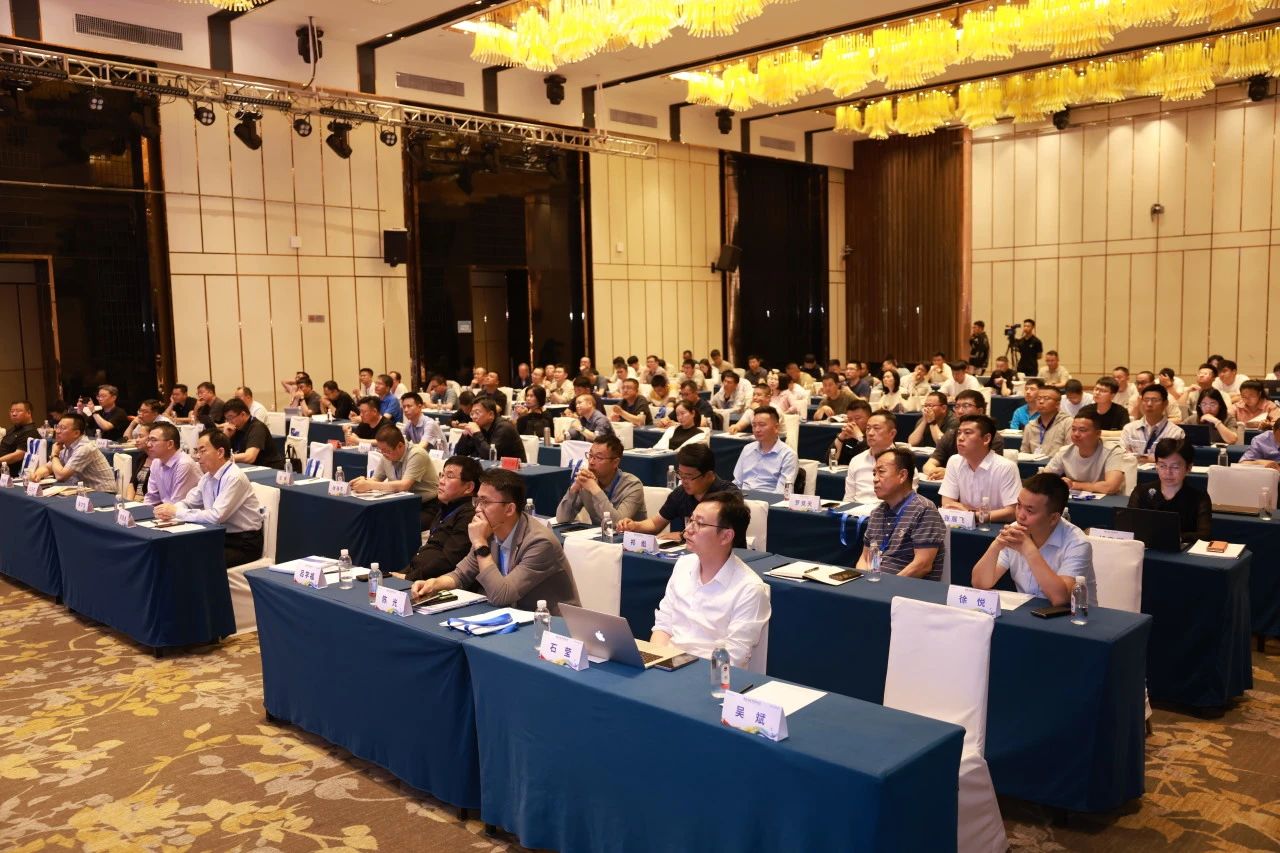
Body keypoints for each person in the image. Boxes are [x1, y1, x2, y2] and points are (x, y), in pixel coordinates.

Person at [410, 468, 580, 614]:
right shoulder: (490, 531)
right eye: (477, 500)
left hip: (549, 625)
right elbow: (461, 574)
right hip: (510, 617)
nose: (477, 509)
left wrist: (480, 544)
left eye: (485, 502)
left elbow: (502, 596)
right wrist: (434, 584)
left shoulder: (540, 543)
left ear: (509, 509)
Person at [648, 491, 771, 668]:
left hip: (710, 675)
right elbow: (663, 625)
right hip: (668, 665)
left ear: (726, 536)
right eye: (690, 520)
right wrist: (656, 660)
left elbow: (734, 658)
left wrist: (675, 666)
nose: (688, 530)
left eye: (699, 524)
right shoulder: (683, 564)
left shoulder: (749, 589)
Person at [973, 473, 1096, 606]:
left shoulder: (1077, 543)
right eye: (1019, 505)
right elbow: (980, 584)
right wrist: (995, 546)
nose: (1020, 515)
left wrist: (1029, 550)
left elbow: (1060, 599)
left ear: (1053, 518)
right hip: (1028, 611)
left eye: (1030, 511)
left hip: (1074, 616)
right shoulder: (1015, 530)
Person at [155, 430, 264, 568]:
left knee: (195, 561)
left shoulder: (234, 477)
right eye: (197, 451)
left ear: (220, 452)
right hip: (219, 536)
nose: (197, 456)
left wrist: (176, 512)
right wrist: (172, 510)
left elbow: (216, 516)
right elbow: (189, 503)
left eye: (202, 451)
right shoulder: (207, 477)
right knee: (177, 550)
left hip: (243, 543)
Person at [857, 447, 947, 581]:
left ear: (902, 476)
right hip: (875, 585)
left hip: (907, 589)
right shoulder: (876, 513)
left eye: (881, 472)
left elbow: (922, 566)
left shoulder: (924, 510)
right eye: (874, 473)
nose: (875, 479)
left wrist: (887, 587)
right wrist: (864, 582)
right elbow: (864, 559)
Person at [617, 443, 738, 539]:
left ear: (709, 475)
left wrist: (682, 535)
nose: (683, 481)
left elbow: (723, 533)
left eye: (689, 476)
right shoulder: (680, 493)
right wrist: (634, 526)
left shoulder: (729, 495)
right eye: (681, 475)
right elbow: (655, 524)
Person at [396, 456, 481, 582]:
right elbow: (429, 550)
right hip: (416, 574)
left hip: (433, 583)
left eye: (449, 476)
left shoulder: (468, 516)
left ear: (469, 487)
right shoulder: (446, 507)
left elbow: (449, 562)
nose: (441, 481)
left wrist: (408, 577)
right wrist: (400, 574)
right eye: (442, 475)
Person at [1128, 438, 1211, 545]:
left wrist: (1174, 537)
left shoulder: (1199, 497)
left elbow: (1204, 535)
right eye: (1162, 466)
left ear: (1189, 468)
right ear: (1156, 465)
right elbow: (1128, 526)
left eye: (1175, 467)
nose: (1168, 472)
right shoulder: (1141, 492)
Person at [351, 425, 439, 525]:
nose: (383, 454)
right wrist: (363, 482)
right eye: (381, 450)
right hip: (401, 503)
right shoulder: (386, 456)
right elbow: (375, 480)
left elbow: (404, 485)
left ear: (400, 446)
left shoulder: (417, 454)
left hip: (427, 506)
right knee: (373, 520)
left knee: (397, 525)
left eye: (387, 451)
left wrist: (370, 485)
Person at [940, 414, 1021, 521]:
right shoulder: (954, 461)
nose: (960, 438)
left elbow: (1012, 511)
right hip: (964, 524)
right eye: (959, 433)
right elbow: (947, 503)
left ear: (986, 439)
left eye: (968, 433)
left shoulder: (1006, 467)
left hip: (996, 527)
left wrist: (972, 515)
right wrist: (970, 514)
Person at [555, 434, 645, 525]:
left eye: (598, 458)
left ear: (615, 462)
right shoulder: (587, 483)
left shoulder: (632, 485)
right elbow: (562, 519)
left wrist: (594, 489)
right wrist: (574, 488)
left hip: (629, 534)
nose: (591, 462)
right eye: (590, 455)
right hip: (596, 534)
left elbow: (617, 524)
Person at [921, 390, 1004, 479]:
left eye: (966, 406)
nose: (960, 411)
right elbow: (928, 465)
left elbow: (988, 471)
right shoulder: (951, 434)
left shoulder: (992, 438)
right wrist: (934, 472)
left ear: (980, 411)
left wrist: (949, 472)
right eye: (957, 406)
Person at [1043, 412, 1126, 495]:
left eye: (1082, 430)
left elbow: (1111, 487)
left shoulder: (1113, 451)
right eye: (1073, 429)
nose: (1076, 434)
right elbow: (1043, 479)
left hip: (1108, 501)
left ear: (1098, 434)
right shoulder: (1065, 451)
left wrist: (1073, 485)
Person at [31, 413, 116, 491]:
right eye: (57, 427)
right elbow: (48, 467)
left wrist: (54, 455)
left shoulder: (85, 448)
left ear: (76, 433)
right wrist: (37, 475)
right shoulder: (64, 445)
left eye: (63, 428)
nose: (57, 431)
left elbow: (61, 476)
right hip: (84, 491)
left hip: (103, 493)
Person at [732, 406, 798, 493]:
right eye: (754, 425)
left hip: (768, 499)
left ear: (776, 427)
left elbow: (782, 492)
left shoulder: (788, 455)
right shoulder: (747, 449)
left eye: (762, 425)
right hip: (742, 498)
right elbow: (737, 482)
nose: (757, 430)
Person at [844, 411, 900, 503]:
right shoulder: (856, 460)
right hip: (857, 510)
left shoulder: (903, 463)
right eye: (868, 428)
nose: (870, 433)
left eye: (876, 428)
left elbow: (907, 503)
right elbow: (848, 499)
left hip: (887, 511)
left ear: (892, 433)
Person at [140, 422, 202, 506]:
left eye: (153, 440)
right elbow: (152, 498)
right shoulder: (156, 462)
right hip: (167, 510)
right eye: (149, 440)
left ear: (170, 444)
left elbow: (177, 504)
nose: (148, 444)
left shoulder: (184, 464)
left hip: (185, 512)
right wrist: (143, 510)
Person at [1121, 384, 1184, 462]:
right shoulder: (1129, 429)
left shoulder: (1176, 432)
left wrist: (1140, 458)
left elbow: (1173, 459)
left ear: (1165, 403)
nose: (1149, 404)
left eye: (1155, 400)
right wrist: (1153, 458)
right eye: (1146, 400)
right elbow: (1121, 454)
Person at [455, 398, 525, 461]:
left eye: (477, 413)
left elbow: (490, 456)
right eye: (472, 413)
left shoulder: (504, 427)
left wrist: (477, 433)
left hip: (513, 469)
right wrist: (465, 435)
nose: (474, 417)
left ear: (491, 414)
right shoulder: (480, 426)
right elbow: (460, 453)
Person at [223, 398, 285, 469]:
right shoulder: (234, 429)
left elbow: (250, 457)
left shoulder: (257, 427)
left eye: (231, 418)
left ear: (243, 414)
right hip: (247, 467)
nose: (229, 422)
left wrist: (225, 459)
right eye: (227, 419)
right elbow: (220, 452)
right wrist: (226, 436)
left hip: (268, 469)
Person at [1022, 385, 1072, 457]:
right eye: (1038, 398)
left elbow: (1070, 452)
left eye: (1046, 398)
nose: (1041, 401)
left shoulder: (1068, 423)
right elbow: (1024, 453)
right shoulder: (1030, 426)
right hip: (1033, 464)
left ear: (1057, 404)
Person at [0, 400, 40, 475]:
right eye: (12, 411)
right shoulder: (12, 429)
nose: (14, 414)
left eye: (18, 411)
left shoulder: (31, 432)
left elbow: (18, 455)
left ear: (29, 413)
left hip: (12, 474)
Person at [828, 400, 872, 465]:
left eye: (857, 418)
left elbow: (871, 459)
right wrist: (840, 439)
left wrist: (859, 437)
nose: (853, 423)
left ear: (870, 418)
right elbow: (830, 462)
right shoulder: (847, 436)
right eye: (850, 419)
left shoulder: (876, 435)